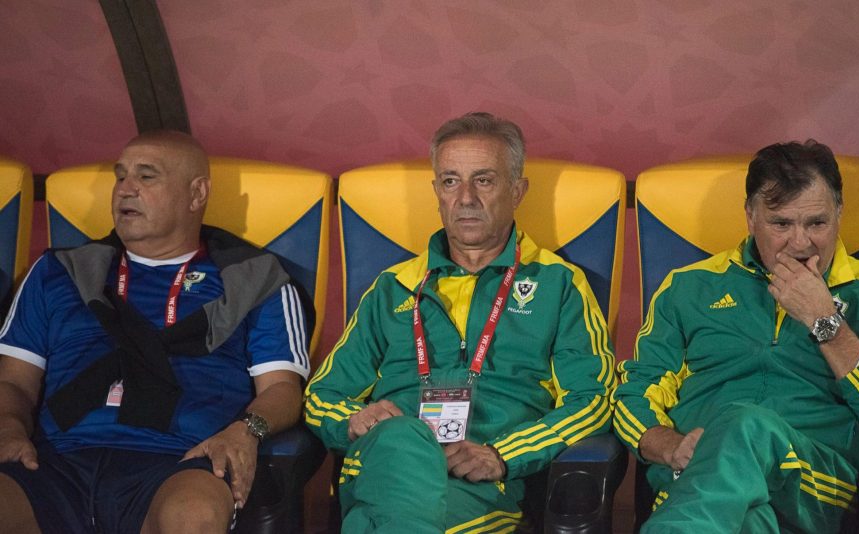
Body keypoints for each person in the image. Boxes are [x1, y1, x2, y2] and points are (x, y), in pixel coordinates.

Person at [305, 112, 615, 532]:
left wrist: (504, 454)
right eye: (450, 181)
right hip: (382, 471)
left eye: (483, 180)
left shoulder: (558, 284)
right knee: (399, 436)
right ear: (436, 192)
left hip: (478, 486)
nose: (465, 197)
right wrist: (351, 420)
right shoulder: (394, 287)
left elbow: (592, 399)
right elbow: (323, 394)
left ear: (518, 190)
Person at [613, 140, 859, 532]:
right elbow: (634, 393)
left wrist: (825, 321)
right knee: (749, 520)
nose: (800, 243)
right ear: (751, 217)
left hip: (815, 487)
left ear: (839, 214)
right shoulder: (689, 288)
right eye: (781, 224)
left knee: (746, 426)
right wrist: (668, 445)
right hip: (696, 479)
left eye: (817, 223)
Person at [0, 130, 310, 533]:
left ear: (197, 194)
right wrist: (8, 427)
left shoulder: (254, 280)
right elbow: (13, 382)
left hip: (179, 462)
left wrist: (245, 433)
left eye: (146, 177)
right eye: (120, 176)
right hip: (55, 460)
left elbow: (283, 389)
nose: (125, 190)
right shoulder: (58, 271)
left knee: (193, 515)